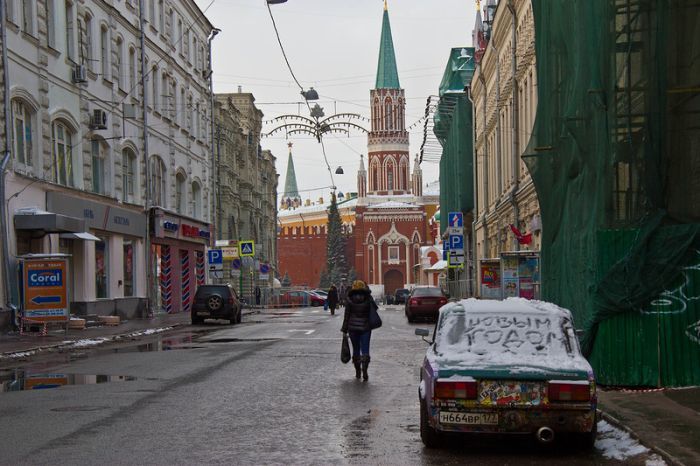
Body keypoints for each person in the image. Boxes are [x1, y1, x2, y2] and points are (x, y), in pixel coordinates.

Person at [340, 280, 377, 381]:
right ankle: (365, 368)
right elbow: (375, 308)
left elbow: (346, 316)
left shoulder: (350, 299)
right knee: (365, 349)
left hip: (353, 329)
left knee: (356, 350)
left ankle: (358, 372)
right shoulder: (367, 298)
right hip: (366, 328)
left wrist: (344, 330)